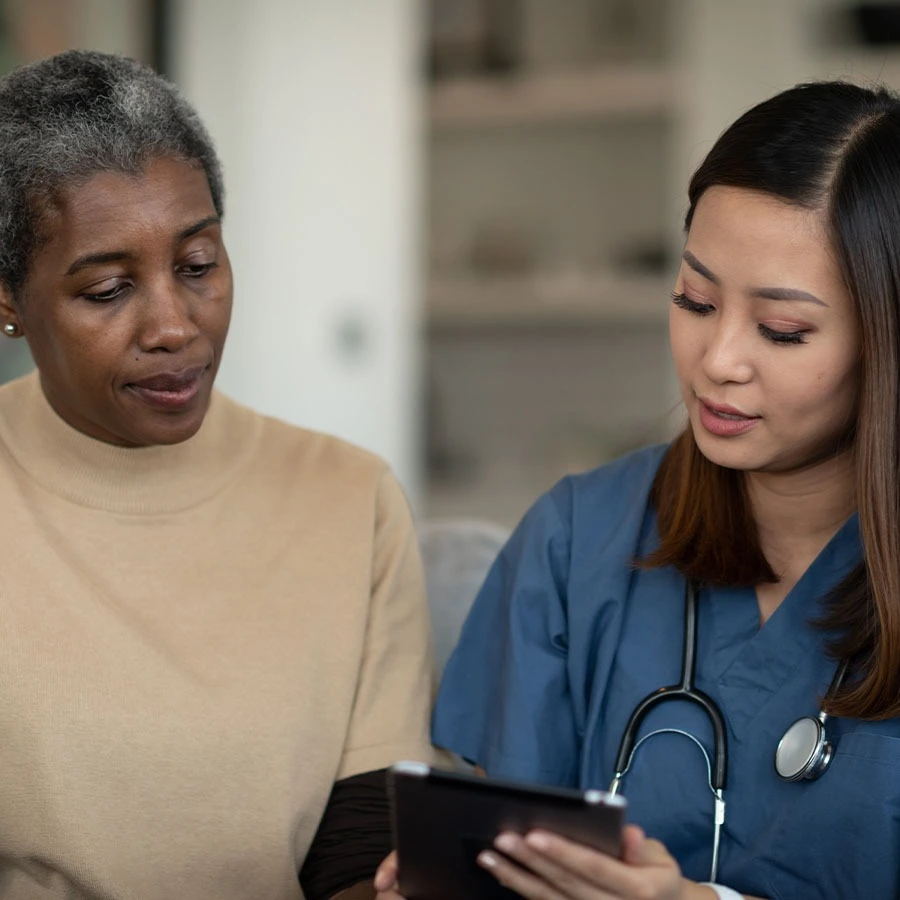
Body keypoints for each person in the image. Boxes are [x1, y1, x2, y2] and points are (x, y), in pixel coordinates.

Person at [375, 79, 900, 900]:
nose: (716, 358)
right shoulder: (577, 540)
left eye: (782, 330)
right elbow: (504, 858)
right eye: (694, 299)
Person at [0, 50, 436, 900]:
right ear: (9, 298)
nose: (173, 325)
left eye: (198, 266)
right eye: (108, 290)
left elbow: (359, 852)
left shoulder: (350, 499)